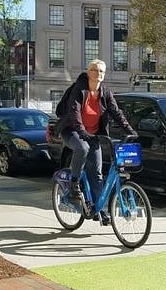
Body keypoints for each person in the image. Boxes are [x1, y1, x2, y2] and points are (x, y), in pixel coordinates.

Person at [58, 59, 136, 222]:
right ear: (88, 72)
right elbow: (74, 113)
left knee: (97, 174)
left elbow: (117, 113)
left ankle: (98, 209)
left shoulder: (105, 92)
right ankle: (74, 184)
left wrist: (130, 131)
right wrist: (81, 131)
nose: (98, 74)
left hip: (93, 135)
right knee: (82, 148)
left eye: (101, 71)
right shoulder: (79, 89)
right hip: (71, 131)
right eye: (95, 70)